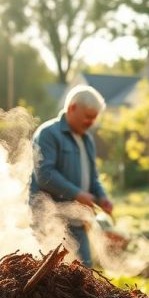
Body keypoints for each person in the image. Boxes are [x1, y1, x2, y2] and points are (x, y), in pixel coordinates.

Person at [30, 84, 113, 266]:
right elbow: (44, 174)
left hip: (79, 222)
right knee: (51, 278)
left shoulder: (87, 140)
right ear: (72, 108)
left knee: (84, 275)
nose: (91, 122)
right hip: (51, 222)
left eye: (94, 118)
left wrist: (102, 198)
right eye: (88, 117)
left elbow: (92, 179)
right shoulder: (48, 134)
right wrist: (77, 194)